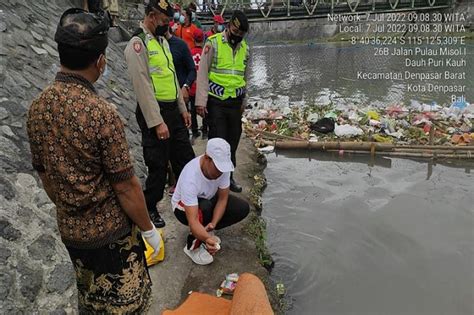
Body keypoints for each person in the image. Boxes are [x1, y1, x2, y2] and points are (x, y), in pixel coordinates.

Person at [26, 8, 161, 313]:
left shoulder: (37, 108)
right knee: (126, 304)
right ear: (100, 60)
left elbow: (45, 177)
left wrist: (72, 205)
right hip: (110, 237)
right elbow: (126, 187)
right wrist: (149, 229)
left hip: (72, 234)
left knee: (90, 302)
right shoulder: (101, 113)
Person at [124, 0, 195, 228]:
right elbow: (142, 86)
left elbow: (172, 78)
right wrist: (157, 122)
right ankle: (151, 207)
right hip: (154, 113)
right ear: (152, 16)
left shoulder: (163, 41)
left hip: (173, 111)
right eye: (164, 21)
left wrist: (183, 109)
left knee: (186, 158)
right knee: (158, 165)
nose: (168, 26)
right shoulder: (138, 43)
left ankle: (190, 200)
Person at [195, 10, 250, 193]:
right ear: (229, 27)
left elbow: (245, 75)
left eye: (241, 35)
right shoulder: (214, 43)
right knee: (218, 141)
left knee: (233, 141)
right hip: (216, 102)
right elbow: (202, 72)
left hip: (235, 104)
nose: (237, 37)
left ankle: (228, 178)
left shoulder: (244, 48)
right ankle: (210, 180)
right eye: (235, 32)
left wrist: (244, 101)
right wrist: (201, 102)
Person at [172, 138, 250, 265]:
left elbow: (223, 199)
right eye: (218, 168)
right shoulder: (190, 177)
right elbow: (193, 221)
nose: (220, 173)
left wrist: (213, 223)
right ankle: (192, 247)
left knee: (242, 208)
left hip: (206, 199)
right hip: (182, 207)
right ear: (207, 158)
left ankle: (206, 230)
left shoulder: (222, 170)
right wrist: (207, 239)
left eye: (222, 169)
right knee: (205, 207)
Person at [165, 23, 196, 114]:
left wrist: (186, 86)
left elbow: (192, 70)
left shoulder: (180, 45)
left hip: (180, 98)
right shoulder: (153, 45)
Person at [189, 28, 207, 138]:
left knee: (193, 111)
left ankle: (195, 131)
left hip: (192, 86)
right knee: (205, 109)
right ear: (203, 39)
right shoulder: (206, 52)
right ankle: (205, 131)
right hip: (203, 87)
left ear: (193, 39)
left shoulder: (190, 52)